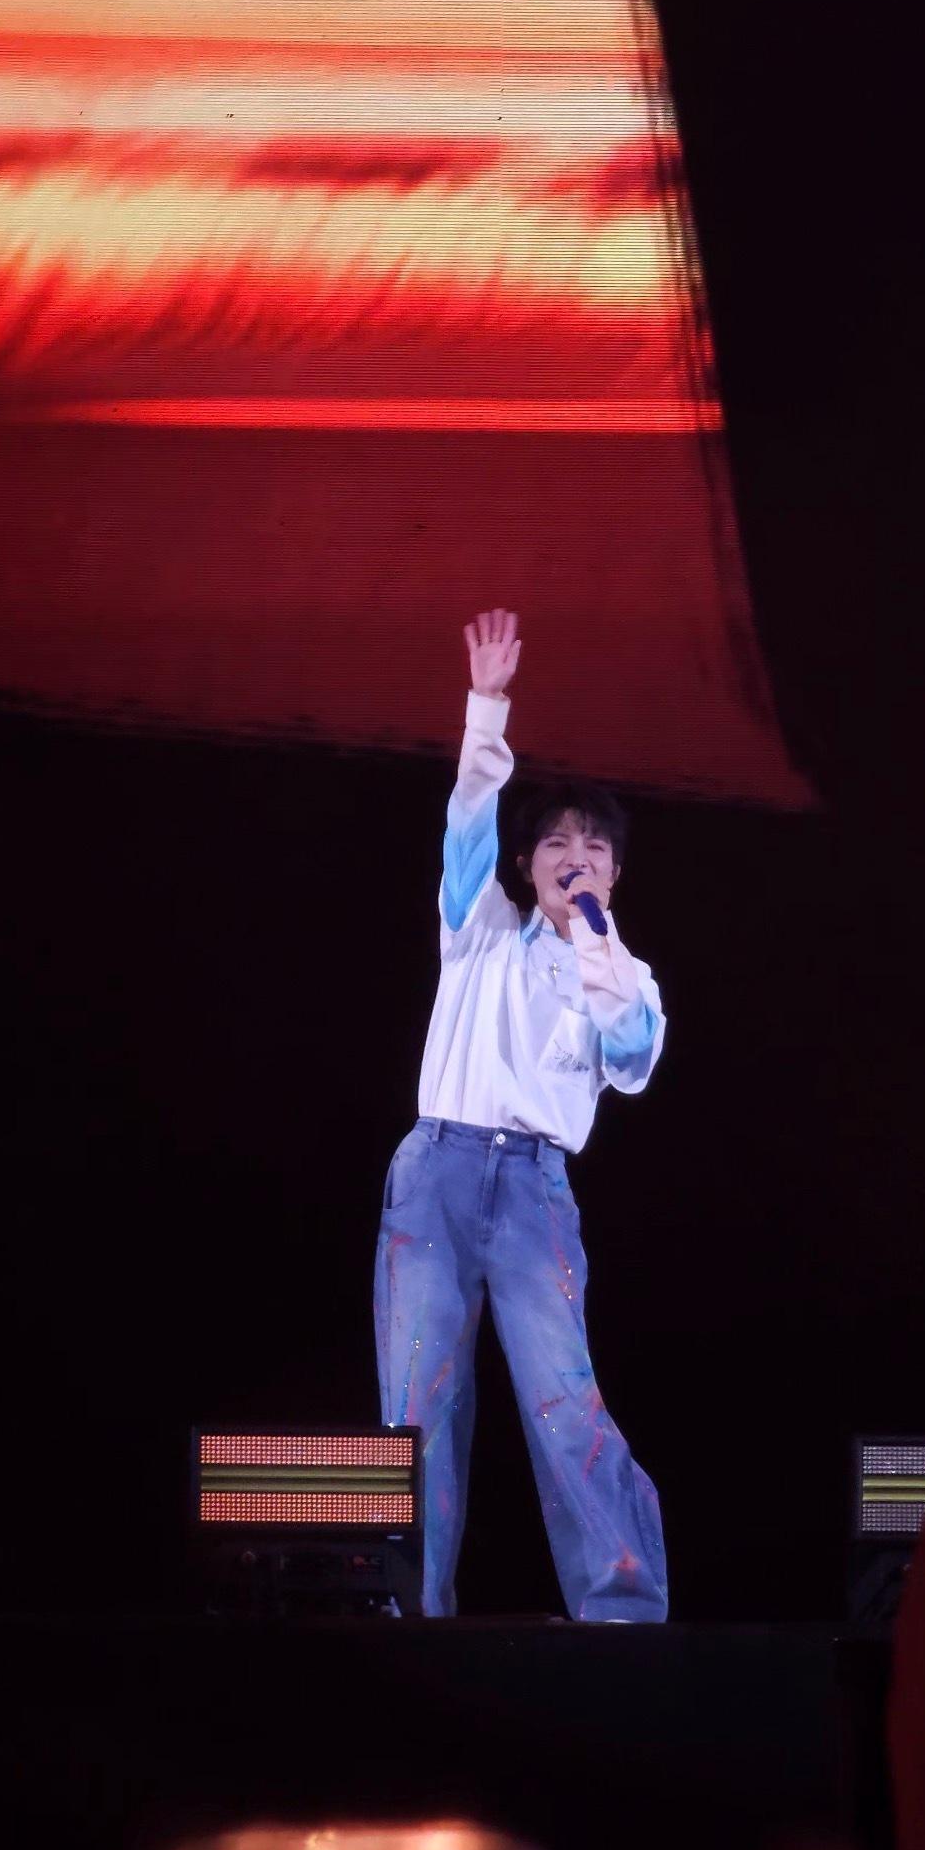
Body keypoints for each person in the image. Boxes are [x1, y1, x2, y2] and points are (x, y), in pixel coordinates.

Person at [374, 608, 668, 1620]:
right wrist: (486, 706)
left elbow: (632, 1059)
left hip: (536, 1189)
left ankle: (623, 1610)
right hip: (439, 1171)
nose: (573, 853)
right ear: (525, 863)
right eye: (555, 841)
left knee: (564, 1398)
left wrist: (594, 935)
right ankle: (409, 1611)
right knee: (418, 1403)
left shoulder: (624, 974)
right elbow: (468, 815)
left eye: (593, 846)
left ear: (614, 871)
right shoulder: (480, 930)